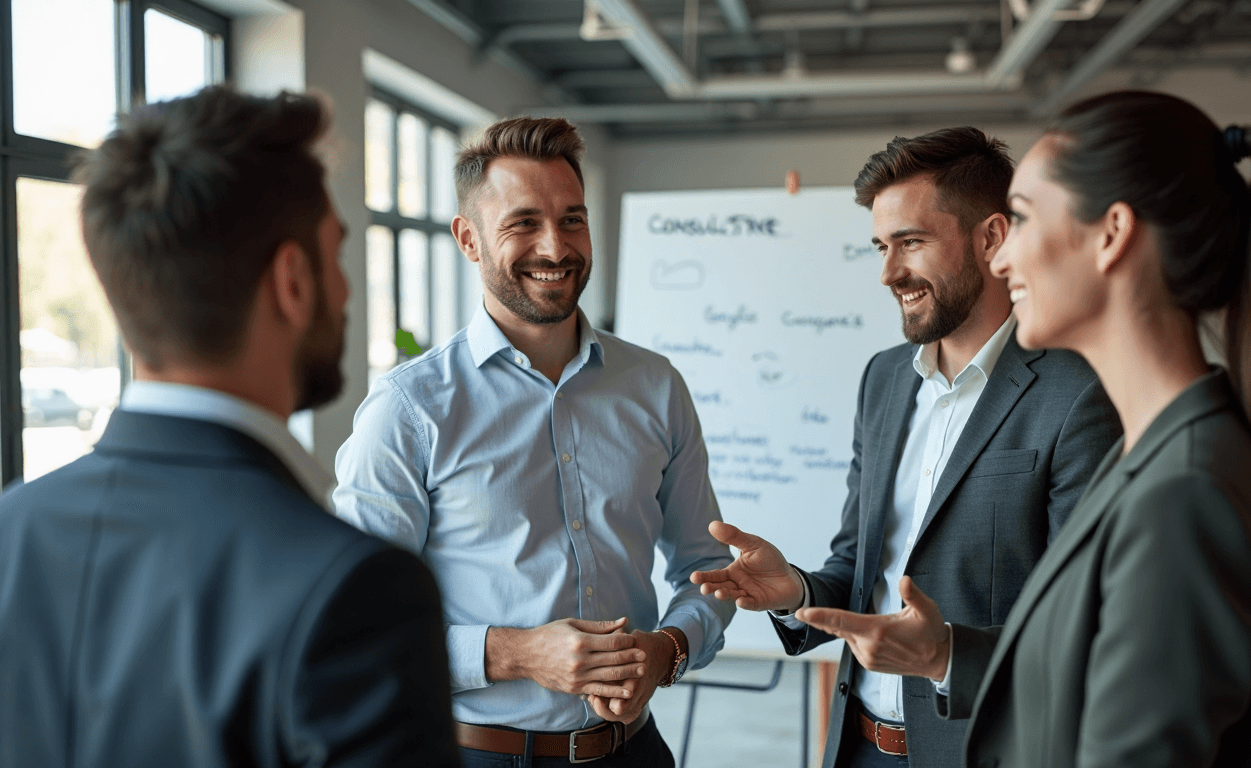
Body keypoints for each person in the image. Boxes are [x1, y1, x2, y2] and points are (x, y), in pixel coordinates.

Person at [788, 90, 1251, 768]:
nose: (1002, 259)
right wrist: (941, 653)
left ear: (1111, 235)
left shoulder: (1186, 487)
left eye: (1021, 219)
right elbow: (1078, 673)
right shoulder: (1156, 456)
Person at [0, 87, 458, 766]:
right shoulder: (355, 589)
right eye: (336, 255)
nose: (346, 290)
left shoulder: (11, 530)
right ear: (291, 281)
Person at [690, 127, 1121, 768]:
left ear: (991, 238)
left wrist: (945, 653)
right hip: (857, 746)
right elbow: (859, 567)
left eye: (911, 242)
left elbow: (1084, 624)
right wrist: (797, 592)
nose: (889, 272)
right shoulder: (884, 379)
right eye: (881, 246)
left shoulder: (1077, 393)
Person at [332, 116, 734, 767]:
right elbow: (357, 625)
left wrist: (668, 651)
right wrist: (516, 653)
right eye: (523, 223)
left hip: (635, 752)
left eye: (572, 219)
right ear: (468, 239)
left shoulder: (656, 385)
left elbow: (707, 568)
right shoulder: (408, 409)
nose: (556, 246)